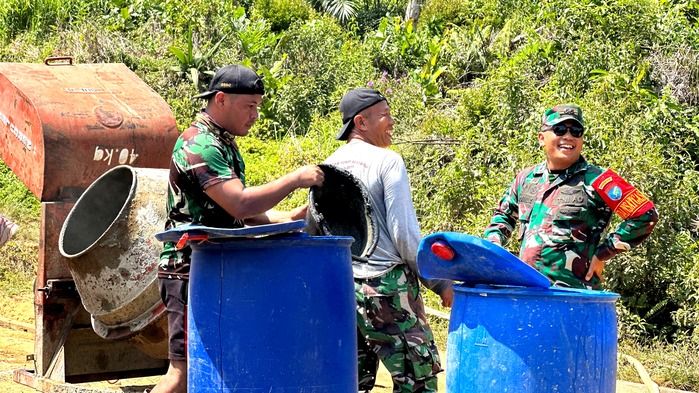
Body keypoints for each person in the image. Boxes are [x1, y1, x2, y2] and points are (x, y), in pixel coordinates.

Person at [151, 64, 324, 393]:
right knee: (183, 375)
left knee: (222, 367)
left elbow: (247, 218)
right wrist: (294, 180)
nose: (255, 115)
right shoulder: (200, 145)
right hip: (189, 270)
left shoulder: (224, 144)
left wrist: (294, 216)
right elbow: (241, 204)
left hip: (219, 267)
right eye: (250, 106)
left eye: (258, 106)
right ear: (221, 99)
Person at [324, 88, 454, 393]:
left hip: (344, 291)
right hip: (389, 292)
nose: (392, 122)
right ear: (361, 122)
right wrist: (439, 284)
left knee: (352, 383)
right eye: (385, 114)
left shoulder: (327, 167)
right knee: (417, 383)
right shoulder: (387, 161)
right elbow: (405, 237)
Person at [484, 104, 659, 289]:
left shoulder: (599, 179)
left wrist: (604, 252)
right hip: (527, 291)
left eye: (576, 131)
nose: (568, 136)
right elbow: (503, 217)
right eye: (559, 129)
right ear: (541, 138)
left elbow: (645, 214)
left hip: (574, 297)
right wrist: (494, 246)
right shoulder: (525, 178)